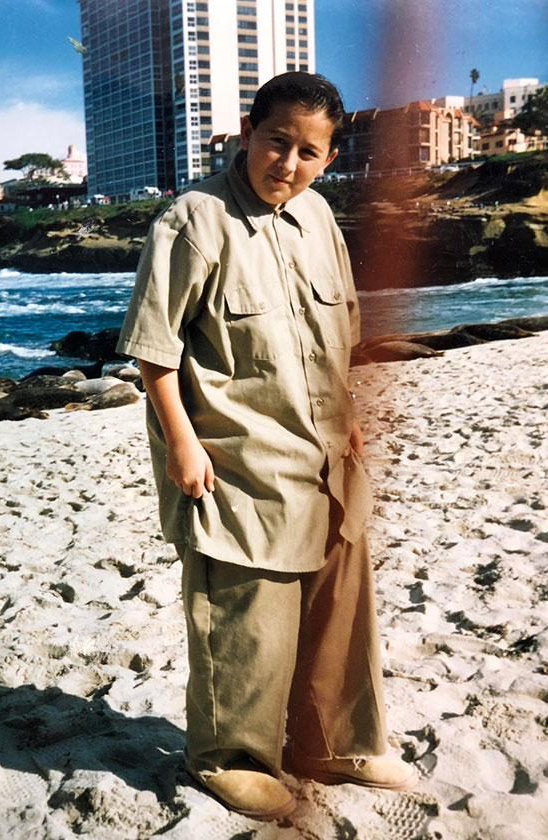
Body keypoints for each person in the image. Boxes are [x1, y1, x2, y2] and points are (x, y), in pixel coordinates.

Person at [116, 72, 417, 821]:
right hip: (235, 453)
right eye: (276, 140)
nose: (288, 163)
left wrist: (348, 419)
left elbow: (341, 329)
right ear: (246, 132)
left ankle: (330, 743)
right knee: (246, 610)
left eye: (309, 151)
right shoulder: (193, 220)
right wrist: (182, 445)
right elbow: (154, 353)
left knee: (340, 601)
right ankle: (227, 755)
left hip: (325, 450)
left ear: (329, 158)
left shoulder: (319, 220)